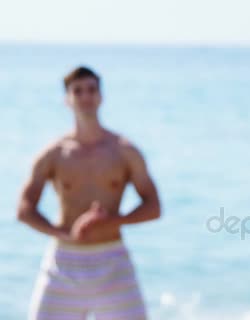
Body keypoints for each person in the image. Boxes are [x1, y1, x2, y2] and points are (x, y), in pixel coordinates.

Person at [17, 66, 161, 320]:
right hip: (63, 262)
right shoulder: (54, 154)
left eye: (92, 90)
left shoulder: (124, 151)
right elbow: (24, 208)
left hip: (113, 260)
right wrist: (63, 233)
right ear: (67, 99)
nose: (85, 97)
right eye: (78, 91)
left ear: (101, 96)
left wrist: (112, 221)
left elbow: (153, 206)